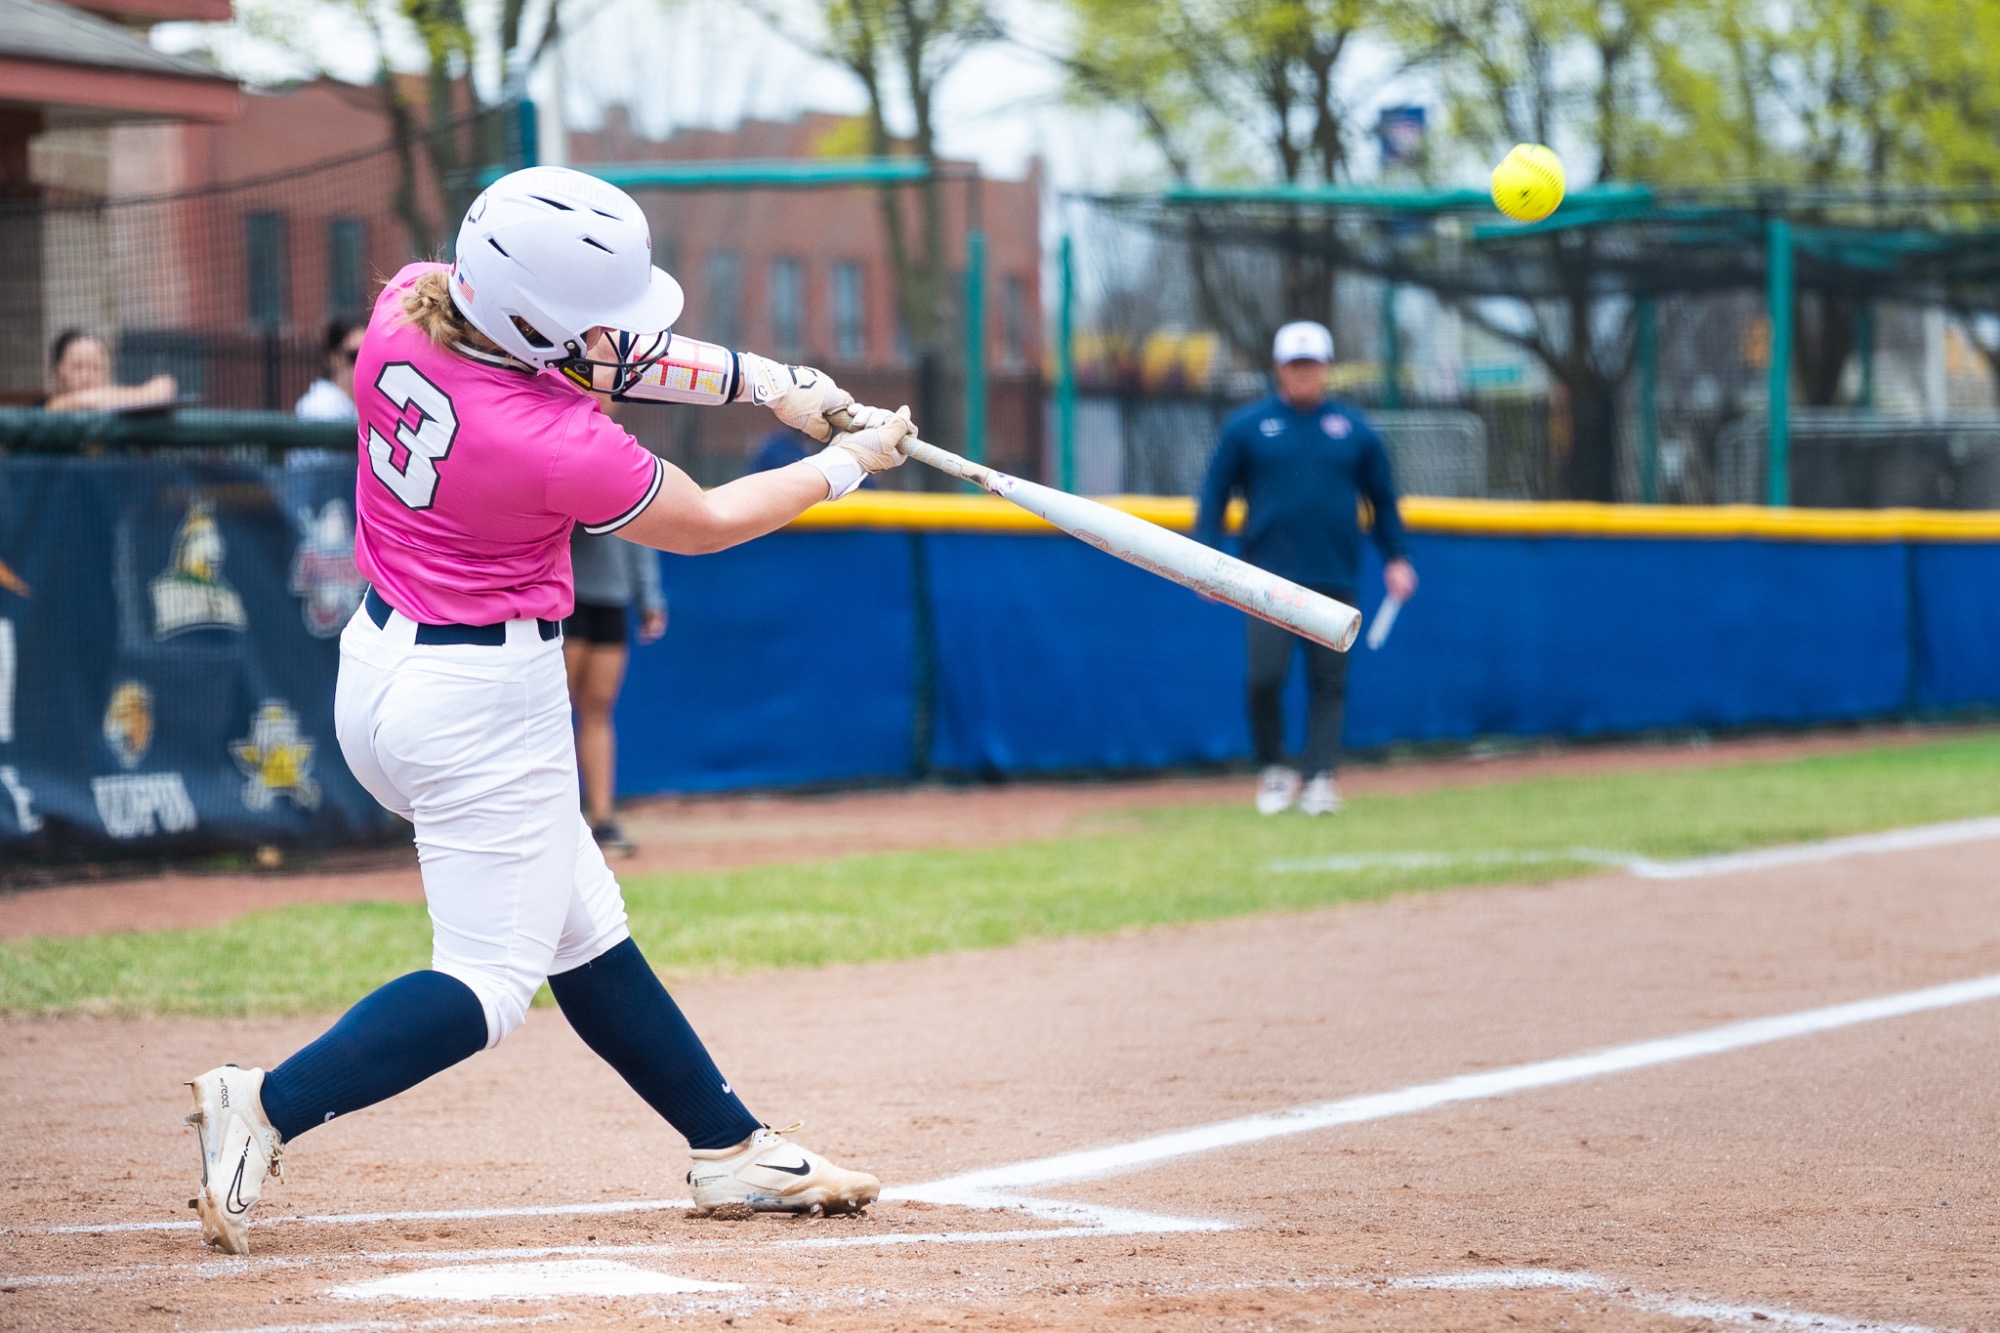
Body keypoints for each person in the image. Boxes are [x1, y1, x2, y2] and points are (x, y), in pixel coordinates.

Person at [181, 166, 914, 1255]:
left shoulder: (414, 302)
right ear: (532, 320)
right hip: (482, 702)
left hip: (383, 670)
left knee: (583, 923)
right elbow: (705, 520)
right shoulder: (547, 438)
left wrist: (770, 379)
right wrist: (843, 465)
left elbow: (594, 346)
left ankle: (729, 1147)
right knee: (488, 982)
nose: (612, 340)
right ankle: (268, 1101)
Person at [1195, 320, 1417, 817]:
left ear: (1326, 368)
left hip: (1334, 575)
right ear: (1279, 368)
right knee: (1265, 678)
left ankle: (1319, 777)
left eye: (1311, 364)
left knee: (1329, 682)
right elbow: (1214, 493)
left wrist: (1397, 557)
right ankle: (1275, 768)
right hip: (1265, 580)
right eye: (1295, 365)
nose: (1303, 374)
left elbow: (1383, 500)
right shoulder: (1247, 428)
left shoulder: (1355, 431)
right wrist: (1203, 559)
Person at [566, 521, 667, 856]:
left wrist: (648, 594)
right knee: (553, 712)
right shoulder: (565, 467)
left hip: (611, 598)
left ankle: (603, 821)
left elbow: (640, 525)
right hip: (565, 594)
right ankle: (557, 820)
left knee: (597, 710)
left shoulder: (629, 469)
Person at [42, 330, 177, 412]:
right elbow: (82, 402)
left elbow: (166, 386)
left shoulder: (113, 404)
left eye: (96, 367)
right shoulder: (49, 407)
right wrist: (145, 396)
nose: (87, 376)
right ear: (58, 371)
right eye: (78, 367)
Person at [295, 314, 367, 421]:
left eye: (368, 356)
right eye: (354, 356)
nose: (362, 364)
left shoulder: (374, 404)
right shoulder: (318, 407)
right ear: (332, 358)